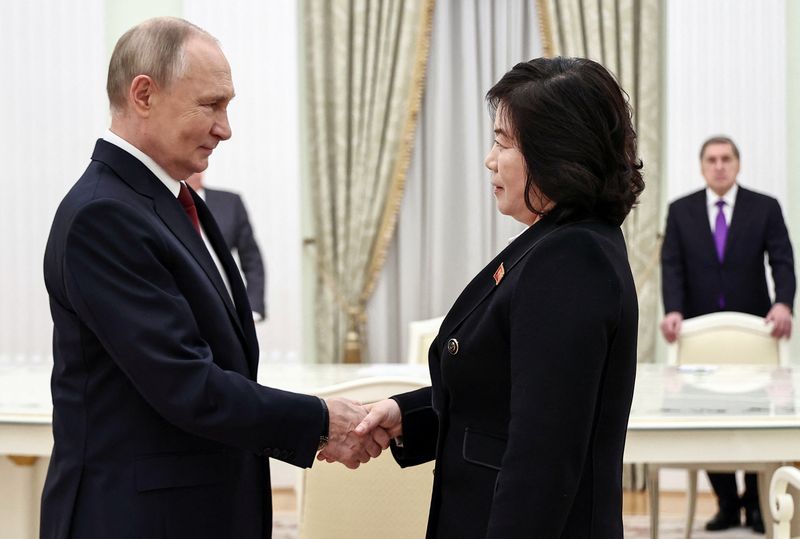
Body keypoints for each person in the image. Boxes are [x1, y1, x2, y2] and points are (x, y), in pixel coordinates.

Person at [41, 17, 379, 539]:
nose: (226, 127)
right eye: (211, 104)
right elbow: (186, 384)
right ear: (144, 94)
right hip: (139, 519)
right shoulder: (103, 214)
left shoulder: (170, 200)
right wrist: (320, 422)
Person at [336, 57, 644, 538]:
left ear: (554, 152)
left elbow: (541, 457)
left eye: (503, 141)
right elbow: (505, 395)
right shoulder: (557, 241)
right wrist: (406, 415)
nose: (489, 158)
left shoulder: (571, 258)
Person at [660, 135, 796, 533]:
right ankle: (726, 504)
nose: (719, 166)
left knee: (755, 417)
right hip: (699, 333)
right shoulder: (681, 211)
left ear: (738, 164)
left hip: (754, 331)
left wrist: (784, 302)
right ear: (702, 167)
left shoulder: (764, 207)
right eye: (711, 160)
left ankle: (755, 505)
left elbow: (783, 259)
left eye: (726, 159)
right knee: (705, 417)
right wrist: (673, 311)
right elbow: (672, 266)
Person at [186, 172, 267, 321]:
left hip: (224, 307)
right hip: (182, 308)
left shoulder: (229, 202)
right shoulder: (160, 200)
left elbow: (251, 258)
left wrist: (253, 307)